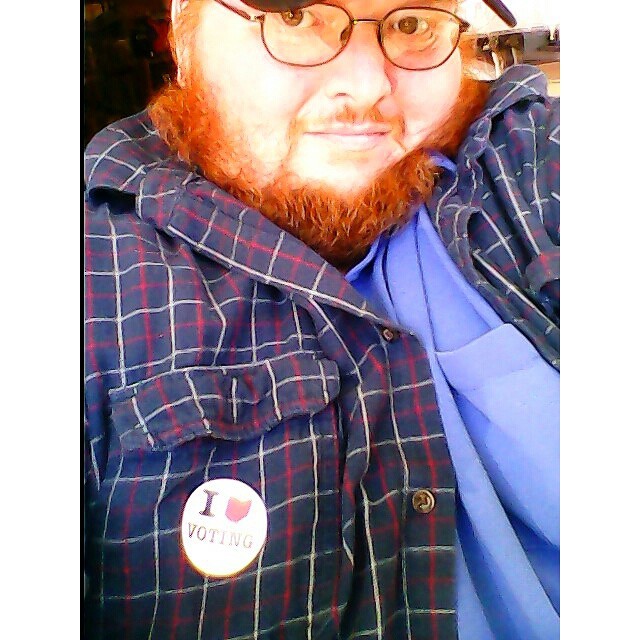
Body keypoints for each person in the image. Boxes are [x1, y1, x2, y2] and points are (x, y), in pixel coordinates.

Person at [84, 0, 559, 638]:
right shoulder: (91, 274)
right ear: (185, 34)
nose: (367, 87)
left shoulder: (519, 167)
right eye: (296, 16)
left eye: (413, 24)